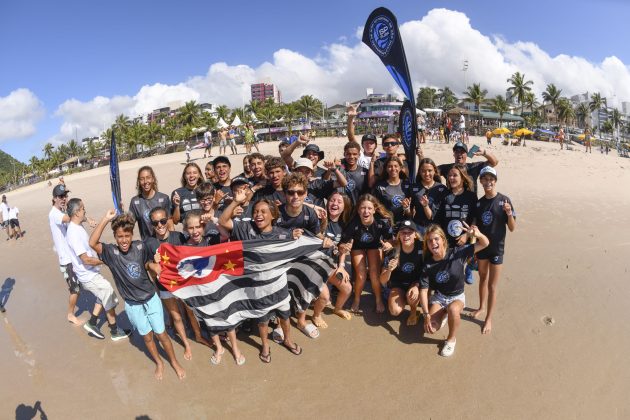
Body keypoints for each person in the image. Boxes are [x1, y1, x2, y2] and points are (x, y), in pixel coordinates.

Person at [90, 211, 186, 380]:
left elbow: (148, 263)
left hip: (151, 298)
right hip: (133, 304)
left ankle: (174, 362)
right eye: (120, 236)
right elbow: (92, 242)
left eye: (127, 236)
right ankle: (159, 362)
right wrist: (105, 218)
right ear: (115, 236)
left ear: (132, 234)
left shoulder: (140, 247)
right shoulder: (111, 253)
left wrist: (153, 266)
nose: (124, 240)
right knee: (147, 337)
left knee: (161, 334)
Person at [218, 196, 303, 362]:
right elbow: (222, 220)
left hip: (280, 288)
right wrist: (236, 201)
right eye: (256, 211)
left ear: (273, 215)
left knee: (285, 317)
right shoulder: (244, 228)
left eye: (263, 211)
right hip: (258, 290)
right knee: (262, 322)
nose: (258, 215)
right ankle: (264, 345)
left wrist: (297, 235)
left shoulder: (283, 233)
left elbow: (300, 243)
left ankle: (287, 339)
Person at [181, 210, 246, 366]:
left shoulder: (211, 240)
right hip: (200, 291)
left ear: (203, 227)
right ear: (185, 229)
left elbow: (225, 234)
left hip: (218, 288)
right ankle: (219, 348)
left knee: (226, 319)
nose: (195, 231)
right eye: (191, 228)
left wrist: (213, 220)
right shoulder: (183, 247)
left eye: (198, 227)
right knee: (210, 321)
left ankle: (235, 348)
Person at [65, 198, 130, 341]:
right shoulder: (73, 233)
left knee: (103, 295)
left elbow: (87, 226)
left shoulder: (76, 225)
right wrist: (106, 260)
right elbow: (85, 260)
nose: (85, 210)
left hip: (90, 272)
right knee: (108, 294)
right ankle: (114, 331)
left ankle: (92, 323)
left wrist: (91, 220)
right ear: (76, 212)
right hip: (87, 275)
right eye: (83, 208)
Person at [144, 207, 205, 360]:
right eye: (155, 222)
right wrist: (152, 263)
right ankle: (187, 344)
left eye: (163, 221)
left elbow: (195, 246)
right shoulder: (149, 242)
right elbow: (144, 263)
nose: (159, 225)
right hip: (164, 286)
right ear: (151, 224)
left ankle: (198, 336)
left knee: (190, 312)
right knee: (176, 317)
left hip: (183, 283)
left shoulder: (178, 237)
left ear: (168, 220)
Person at [419, 224, 488, 357]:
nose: (433, 243)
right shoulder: (428, 265)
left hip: (457, 297)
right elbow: (423, 290)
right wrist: (426, 314)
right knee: (430, 328)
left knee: (453, 309)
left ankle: (451, 340)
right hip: (439, 297)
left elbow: (485, 244)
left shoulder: (458, 253)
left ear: (443, 240)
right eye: (429, 240)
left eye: (436, 239)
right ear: (427, 244)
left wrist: (478, 235)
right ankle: (444, 314)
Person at [471, 167, 516, 334]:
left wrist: (509, 213)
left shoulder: (504, 201)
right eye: (485, 179)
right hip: (482, 248)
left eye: (491, 179)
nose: (488, 182)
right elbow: (475, 226)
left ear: (495, 181)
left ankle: (488, 318)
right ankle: (481, 307)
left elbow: (512, 228)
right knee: (482, 278)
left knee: (492, 285)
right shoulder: (479, 203)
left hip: (497, 249)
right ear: (481, 181)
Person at [339, 194, 394, 314]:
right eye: (363, 208)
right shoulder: (353, 223)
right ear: (358, 210)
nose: (366, 211)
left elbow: (391, 239)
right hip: (357, 246)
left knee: (374, 273)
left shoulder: (382, 221)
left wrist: (389, 244)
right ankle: (357, 299)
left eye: (369, 208)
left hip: (375, 246)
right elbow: (342, 243)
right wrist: (345, 246)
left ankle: (378, 299)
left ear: (374, 210)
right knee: (361, 274)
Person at [48, 184, 82, 324]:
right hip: (66, 260)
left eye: (65, 196)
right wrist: (84, 216)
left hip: (72, 257)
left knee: (80, 285)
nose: (63, 199)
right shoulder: (54, 214)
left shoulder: (61, 212)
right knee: (75, 290)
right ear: (54, 198)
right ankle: (70, 314)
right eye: (61, 196)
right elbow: (71, 219)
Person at [379, 220, 423, 326]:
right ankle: (405, 298)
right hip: (398, 285)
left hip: (415, 282)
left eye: (409, 232)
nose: (406, 235)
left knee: (413, 294)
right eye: (403, 232)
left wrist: (417, 285)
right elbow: (382, 280)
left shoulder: (422, 249)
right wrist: (389, 270)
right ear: (399, 235)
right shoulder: (393, 252)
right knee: (394, 311)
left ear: (415, 235)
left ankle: (413, 312)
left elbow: (430, 270)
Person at [320, 191, 353, 320]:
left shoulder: (344, 225)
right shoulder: (320, 218)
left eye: (340, 202)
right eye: (333, 200)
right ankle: (315, 315)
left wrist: (341, 266)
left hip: (331, 264)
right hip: (314, 264)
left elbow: (342, 249)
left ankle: (337, 308)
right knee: (325, 297)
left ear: (345, 207)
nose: (335, 204)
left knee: (347, 288)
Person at [128, 166, 172, 240]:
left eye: (148, 177)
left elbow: (170, 224)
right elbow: (129, 226)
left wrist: (172, 244)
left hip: (164, 243)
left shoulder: (164, 198)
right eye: (142, 179)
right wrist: (121, 214)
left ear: (153, 179)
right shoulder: (135, 202)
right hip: (147, 245)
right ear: (138, 181)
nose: (145, 181)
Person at [410, 158, 448, 236]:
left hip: (436, 228)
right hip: (418, 228)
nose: (426, 174)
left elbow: (439, 214)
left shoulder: (442, 188)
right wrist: (406, 208)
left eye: (429, 170)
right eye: (423, 171)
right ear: (419, 172)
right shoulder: (414, 188)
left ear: (434, 171)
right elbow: (410, 211)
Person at [372, 156, 412, 223]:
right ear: (386, 169)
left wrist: (407, 208)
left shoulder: (407, 185)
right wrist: (386, 215)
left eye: (396, 166)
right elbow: (376, 207)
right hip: (386, 223)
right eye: (390, 166)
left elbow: (411, 213)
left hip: (403, 225)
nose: (393, 169)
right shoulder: (379, 186)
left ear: (400, 168)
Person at [346, 104, 378, 169]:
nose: (369, 145)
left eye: (371, 143)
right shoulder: (360, 155)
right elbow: (351, 137)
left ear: (376, 145)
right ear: (362, 145)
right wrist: (350, 118)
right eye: (366, 143)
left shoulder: (381, 157)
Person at [339, 141, 369, 206]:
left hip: (359, 209)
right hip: (343, 209)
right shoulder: (338, 171)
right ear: (344, 154)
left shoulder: (365, 172)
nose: (351, 157)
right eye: (348, 154)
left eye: (355, 154)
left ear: (359, 155)